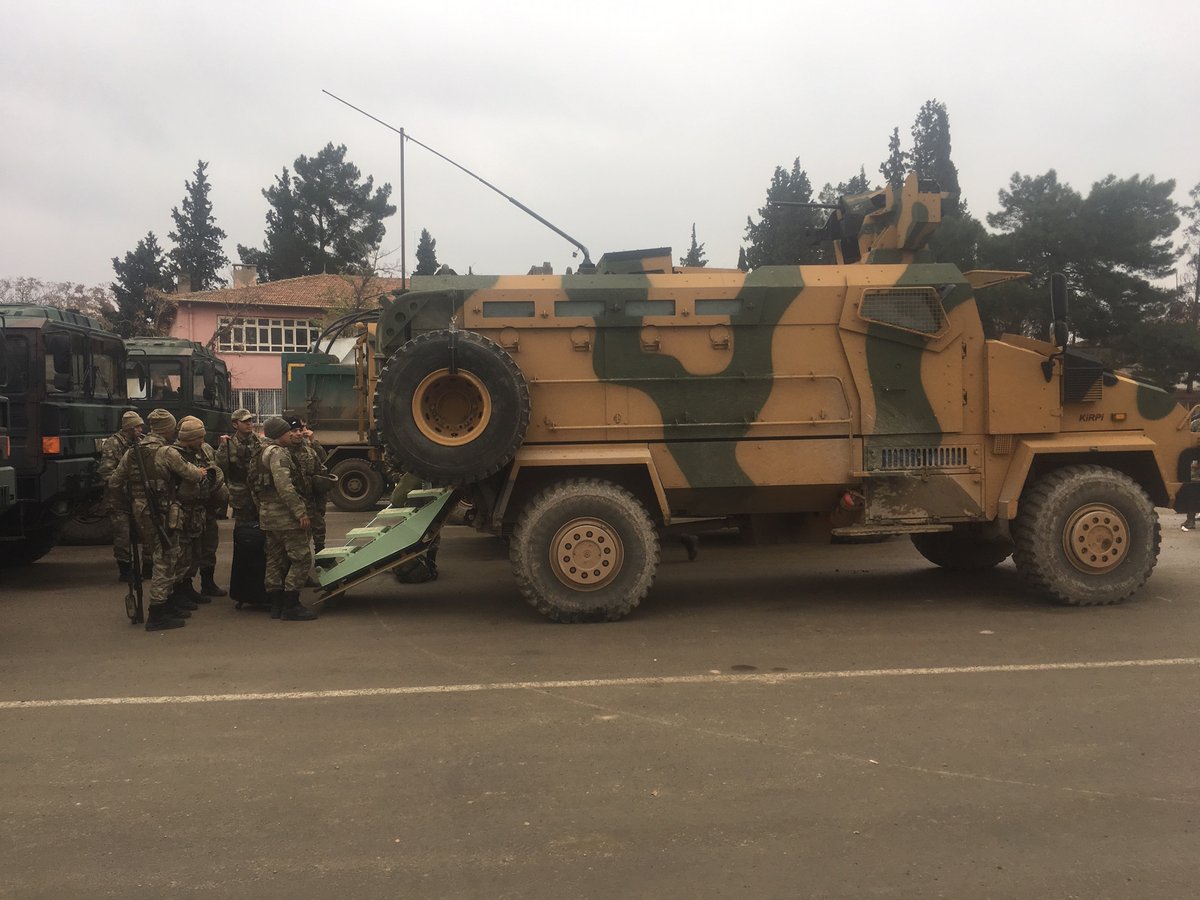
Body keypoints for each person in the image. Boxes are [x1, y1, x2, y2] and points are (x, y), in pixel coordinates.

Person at [108, 409, 209, 631]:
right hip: (162, 511)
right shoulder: (166, 452)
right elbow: (191, 475)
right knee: (165, 557)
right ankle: (158, 611)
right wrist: (201, 472)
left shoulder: (133, 452)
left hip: (140, 510)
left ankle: (168, 603)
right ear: (168, 429)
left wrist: (132, 500)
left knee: (162, 553)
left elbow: (114, 482)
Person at [253, 416, 318, 621]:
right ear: (279, 434)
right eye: (288, 432)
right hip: (285, 517)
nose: (292, 434)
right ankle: (291, 604)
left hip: (268, 516)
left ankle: (276, 605)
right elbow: (284, 486)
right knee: (301, 558)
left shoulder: (261, 451)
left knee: (275, 559)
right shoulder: (278, 454)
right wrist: (300, 512)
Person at [172, 416, 228, 604]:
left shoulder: (204, 450)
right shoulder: (175, 453)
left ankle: (207, 582)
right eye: (199, 437)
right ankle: (184, 587)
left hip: (206, 507)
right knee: (186, 551)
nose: (203, 441)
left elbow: (215, 470)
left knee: (208, 546)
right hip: (186, 509)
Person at [98, 409, 150, 582]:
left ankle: (147, 568)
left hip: (138, 496)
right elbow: (107, 471)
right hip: (118, 498)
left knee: (146, 532)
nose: (140, 431)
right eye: (137, 427)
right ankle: (125, 571)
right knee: (123, 536)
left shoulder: (142, 442)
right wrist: (122, 483)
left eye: (141, 427)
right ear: (128, 428)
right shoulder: (113, 444)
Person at [217, 409, 267, 522]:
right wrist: (223, 447)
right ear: (235, 424)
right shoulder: (229, 443)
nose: (249, 424)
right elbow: (221, 466)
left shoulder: (261, 442)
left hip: (260, 492)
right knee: (243, 529)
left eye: (250, 421)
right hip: (240, 493)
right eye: (244, 421)